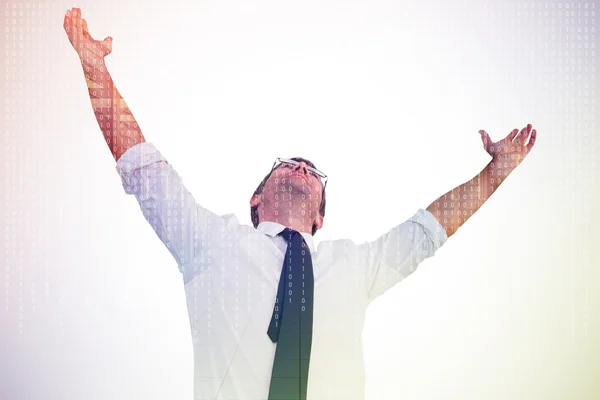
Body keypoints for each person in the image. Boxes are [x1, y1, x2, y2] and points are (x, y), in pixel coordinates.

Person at [64, 7, 537, 400]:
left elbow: (428, 230)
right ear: (256, 197)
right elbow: (145, 169)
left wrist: (495, 171)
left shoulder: (357, 264)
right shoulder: (209, 242)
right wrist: (92, 65)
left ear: (320, 215)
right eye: (288, 164)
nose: (302, 168)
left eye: (313, 170)